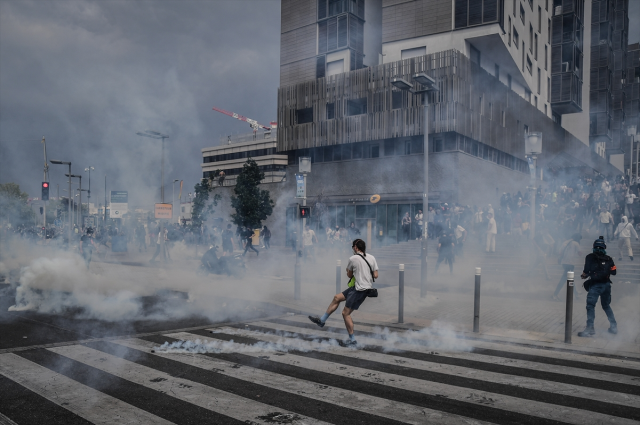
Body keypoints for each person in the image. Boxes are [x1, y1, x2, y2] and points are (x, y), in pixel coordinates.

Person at [308, 239, 378, 346]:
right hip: (357, 287)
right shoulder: (371, 257)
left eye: (352, 247)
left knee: (346, 314)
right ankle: (321, 321)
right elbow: (376, 275)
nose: (352, 249)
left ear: (356, 247)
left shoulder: (353, 258)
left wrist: (352, 271)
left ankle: (353, 340)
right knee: (337, 298)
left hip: (359, 290)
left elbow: (349, 275)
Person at [578, 237, 618, 337]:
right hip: (607, 285)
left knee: (590, 306)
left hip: (595, 286)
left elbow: (585, 272)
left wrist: (584, 276)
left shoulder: (589, 257)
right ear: (604, 247)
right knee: (606, 306)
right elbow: (614, 272)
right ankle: (614, 327)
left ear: (594, 247)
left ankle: (590, 328)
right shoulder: (609, 258)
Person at [553, 233, 582, 301]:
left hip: (564, 263)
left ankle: (576, 293)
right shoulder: (576, 243)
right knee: (565, 279)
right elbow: (580, 253)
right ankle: (555, 294)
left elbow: (560, 253)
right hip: (570, 263)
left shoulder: (565, 242)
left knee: (570, 279)